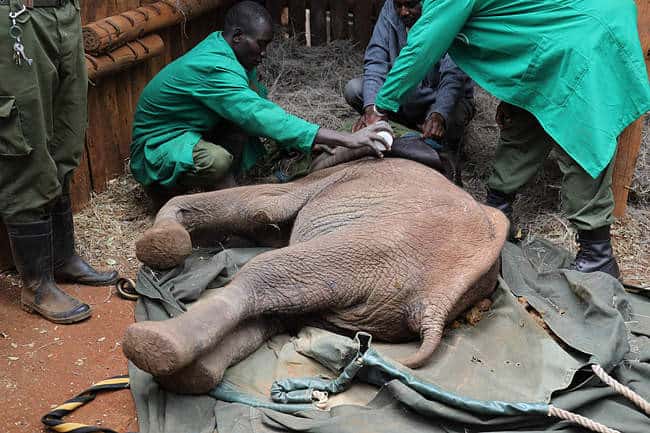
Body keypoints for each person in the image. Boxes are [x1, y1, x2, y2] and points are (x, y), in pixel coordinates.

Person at [373, 0, 650, 279]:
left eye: (409, 3)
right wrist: (512, 94)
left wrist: (379, 108)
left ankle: (597, 255)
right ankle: (499, 210)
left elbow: (422, 46)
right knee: (526, 112)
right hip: (553, 33)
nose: (403, 11)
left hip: (585, 30)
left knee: (579, 136)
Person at [130, 1, 391, 200]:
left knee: (240, 127)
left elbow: (260, 107)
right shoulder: (215, 68)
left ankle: (228, 186)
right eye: (261, 44)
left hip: (193, 130)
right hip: (158, 145)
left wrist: (303, 142)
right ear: (237, 36)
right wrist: (346, 139)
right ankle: (175, 195)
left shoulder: (231, 53)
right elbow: (258, 114)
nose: (264, 53)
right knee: (217, 160)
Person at [0, 0, 119, 324]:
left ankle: (61, 258)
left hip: (63, 13)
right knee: (24, 138)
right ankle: (36, 286)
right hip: (15, 17)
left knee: (66, 136)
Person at [344, 0, 474, 152]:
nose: (403, 12)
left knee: (453, 113)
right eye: (398, 5)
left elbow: (453, 76)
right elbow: (376, 61)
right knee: (354, 89)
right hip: (402, 93)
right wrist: (372, 108)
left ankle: (441, 138)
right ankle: (398, 127)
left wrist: (439, 113)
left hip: (436, 96)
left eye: (411, 5)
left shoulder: (448, 8)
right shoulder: (389, 8)